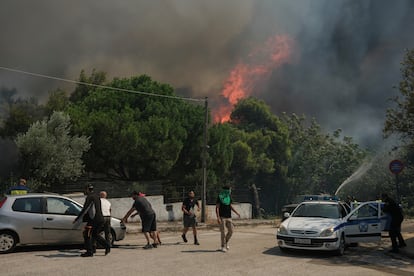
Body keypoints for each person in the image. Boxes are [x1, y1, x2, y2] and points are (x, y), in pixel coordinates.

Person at [73, 184, 111, 257]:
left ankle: (89, 252)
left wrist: (77, 219)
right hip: (100, 218)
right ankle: (107, 245)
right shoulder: (97, 196)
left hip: (94, 220)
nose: (84, 191)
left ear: (87, 189)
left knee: (87, 234)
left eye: (85, 190)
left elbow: (85, 209)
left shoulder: (89, 197)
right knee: (95, 234)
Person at [216, 185, 240, 252]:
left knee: (231, 231)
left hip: (229, 217)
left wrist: (236, 213)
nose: (230, 191)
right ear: (226, 190)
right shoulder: (220, 197)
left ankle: (225, 242)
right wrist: (218, 217)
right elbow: (217, 208)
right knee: (223, 232)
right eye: (229, 189)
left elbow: (230, 206)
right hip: (222, 217)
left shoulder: (228, 197)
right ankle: (223, 246)